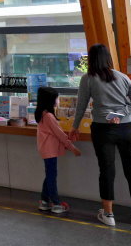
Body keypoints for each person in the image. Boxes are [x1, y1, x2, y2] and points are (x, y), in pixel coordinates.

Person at [71, 44, 131, 228]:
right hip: (128, 128)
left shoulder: (88, 78)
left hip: (103, 130)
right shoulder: (122, 76)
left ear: (91, 59)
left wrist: (75, 127)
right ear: (108, 58)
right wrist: (120, 114)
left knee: (106, 171)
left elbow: (81, 105)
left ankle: (108, 214)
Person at [35, 86, 81, 214]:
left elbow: (56, 134)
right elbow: (60, 135)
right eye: (56, 98)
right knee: (51, 177)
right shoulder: (49, 116)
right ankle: (56, 203)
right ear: (50, 100)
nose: (58, 101)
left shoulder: (42, 114)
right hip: (49, 151)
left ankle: (44, 201)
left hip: (46, 150)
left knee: (49, 175)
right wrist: (73, 148)